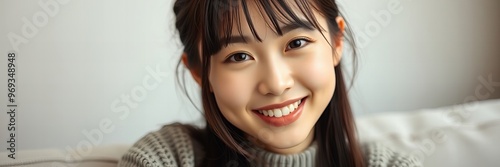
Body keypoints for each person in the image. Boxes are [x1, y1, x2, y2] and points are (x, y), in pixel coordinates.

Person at [119, 0, 422, 166]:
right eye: (238, 57)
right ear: (200, 73)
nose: (276, 84)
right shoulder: (164, 159)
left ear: (336, 41)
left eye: (297, 42)